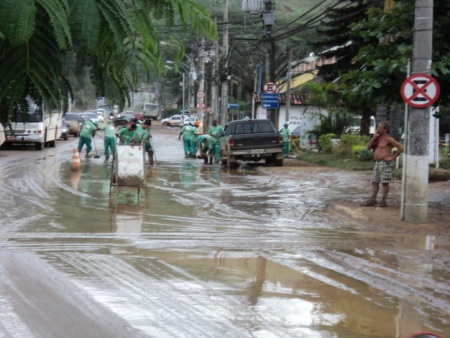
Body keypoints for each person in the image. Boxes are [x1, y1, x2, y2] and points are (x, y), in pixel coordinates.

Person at [361, 121, 403, 207]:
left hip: (385, 162)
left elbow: (400, 147)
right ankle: (373, 199)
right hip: (377, 162)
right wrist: (373, 138)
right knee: (374, 181)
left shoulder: (388, 139)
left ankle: (383, 200)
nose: (378, 129)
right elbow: (368, 147)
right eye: (378, 127)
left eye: (380, 128)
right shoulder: (377, 138)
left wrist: (392, 157)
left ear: (385, 129)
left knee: (384, 182)